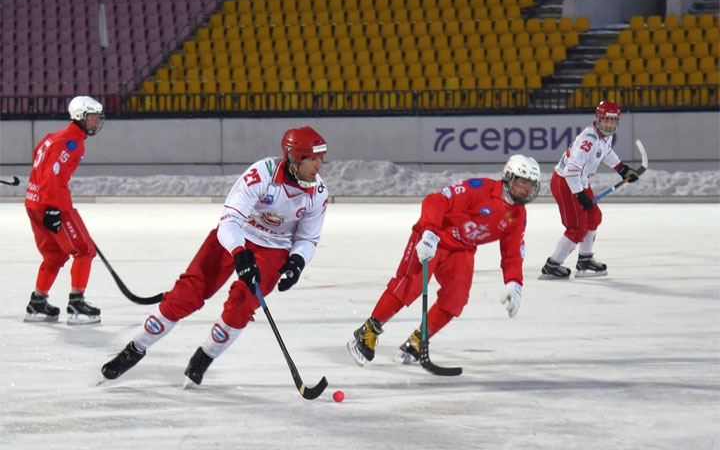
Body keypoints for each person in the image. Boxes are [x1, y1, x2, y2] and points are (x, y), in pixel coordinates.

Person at [101, 126, 329, 386]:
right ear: (293, 158)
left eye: (321, 158)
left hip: (274, 248)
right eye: (312, 159)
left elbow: (307, 239)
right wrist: (240, 253)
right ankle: (135, 349)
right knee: (187, 294)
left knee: (242, 303)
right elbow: (230, 219)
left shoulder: (318, 194)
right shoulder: (261, 174)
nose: (318, 165)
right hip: (235, 236)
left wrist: (297, 262)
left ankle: (204, 357)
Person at [347, 155, 541, 367]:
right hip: (434, 236)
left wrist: (514, 282)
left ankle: (417, 341)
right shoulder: (480, 188)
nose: (526, 190)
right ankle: (368, 331)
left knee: (455, 299)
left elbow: (512, 253)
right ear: (508, 177)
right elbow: (435, 200)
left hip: (462, 249)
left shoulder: (518, 215)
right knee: (409, 285)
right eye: (522, 182)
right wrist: (429, 233)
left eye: (531, 185)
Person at [24, 96, 105, 325]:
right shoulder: (71, 141)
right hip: (54, 204)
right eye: (93, 116)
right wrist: (53, 209)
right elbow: (53, 175)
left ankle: (37, 303)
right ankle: (76, 303)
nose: (96, 121)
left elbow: (39, 165)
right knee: (84, 251)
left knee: (54, 255)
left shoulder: (53, 137)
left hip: (34, 202)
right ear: (80, 117)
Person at [540, 100, 639, 279]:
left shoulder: (603, 136)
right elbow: (571, 171)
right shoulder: (588, 141)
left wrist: (621, 168)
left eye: (612, 121)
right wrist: (579, 195)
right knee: (577, 228)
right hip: (566, 183)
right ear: (598, 119)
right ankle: (552, 265)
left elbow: (606, 153)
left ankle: (584, 260)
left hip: (580, 182)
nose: (609, 125)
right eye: (605, 120)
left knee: (594, 217)